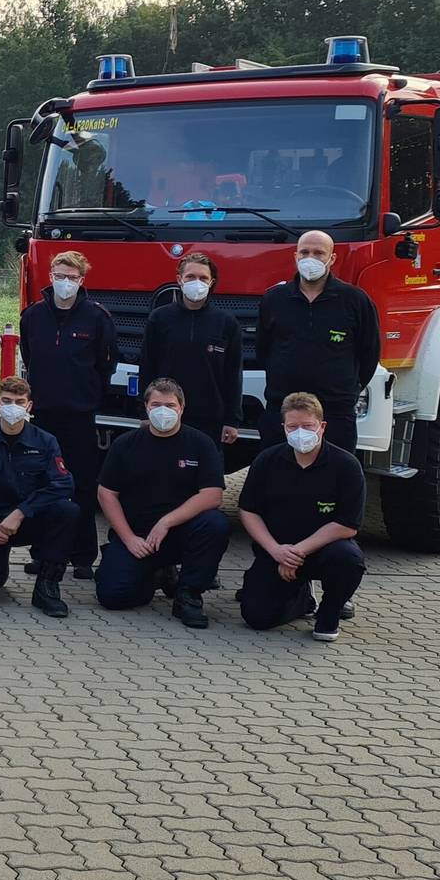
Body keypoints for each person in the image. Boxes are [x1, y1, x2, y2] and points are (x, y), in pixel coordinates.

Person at [92, 378, 230, 629]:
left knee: (216, 523)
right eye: (156, 405)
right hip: (139, 538)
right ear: (146, 407)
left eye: (170, 405)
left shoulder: (200, 443)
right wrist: (128, 539)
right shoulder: (126, 444)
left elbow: (213, 495)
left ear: (182, 408)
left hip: (182, 534)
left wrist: (166, 522)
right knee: (112, 596)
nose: (163, 411)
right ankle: (155, 576)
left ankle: (189, 595)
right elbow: (106, 494)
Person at [238, 391, 368, 641]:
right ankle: (301, 598)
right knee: (257, 617)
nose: (300, 432)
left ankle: (329, 613)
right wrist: (276, 550)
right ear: (284, 428)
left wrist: (298, 551)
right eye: (293, 426)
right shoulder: (267, 461)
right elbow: (249, 510)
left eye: (308, 426)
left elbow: (347, 525)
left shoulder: (346, 466)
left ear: (322, 426)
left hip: (322, 551)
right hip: (277, 552)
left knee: (348, 559)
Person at [17, 249, 115, 579]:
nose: (65, 283)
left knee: (82, 485)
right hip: (43, 416)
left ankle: (83, 556)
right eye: (60, 276)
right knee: (41, 483)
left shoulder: (98, 317)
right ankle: (42, 552)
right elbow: (29, 357)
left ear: (82, 280)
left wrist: (88, 395)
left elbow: (106, 364)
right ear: (50, 276)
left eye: (72, 278)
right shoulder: (33, 316)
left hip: (80, 417)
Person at [0, 375, 79, 617]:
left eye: (19, 402)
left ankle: (47, 586)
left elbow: (64, 484)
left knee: (68, 510)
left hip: (31, 519)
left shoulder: (45, 441)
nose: (13, 407)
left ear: (29, 406)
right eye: (7, 400)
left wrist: (22, 512)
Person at [257, 231, 379, 456]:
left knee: (336, 478)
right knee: (277, 476)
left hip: (336, 411)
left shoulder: (355, 301)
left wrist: (347, 391)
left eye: (318, 253)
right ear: (295, 256)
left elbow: (369, 353)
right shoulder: (274, 300)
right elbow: (263, 349)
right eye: (304, 252)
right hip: (282, 409)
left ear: (332, 259)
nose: (310, 258)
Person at [138, 252, 243, 450]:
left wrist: (233, 419)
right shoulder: (159, 319)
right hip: (165, 414)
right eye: (190, 277)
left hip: (210, 419)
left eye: (203, 278)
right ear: (180, 279)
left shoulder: (226, 323)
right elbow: (147, 366)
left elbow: (233, 374)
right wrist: (144, 414)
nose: (197, 282)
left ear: (211, 282)